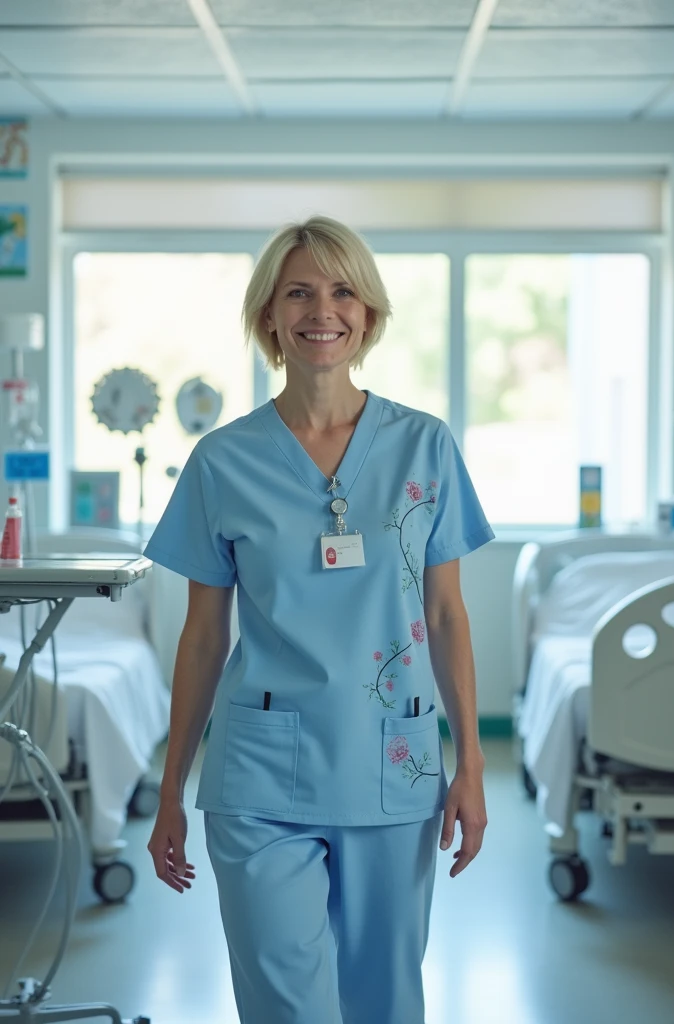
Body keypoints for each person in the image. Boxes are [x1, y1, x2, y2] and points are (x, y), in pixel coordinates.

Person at [145, 215, 495, 1024]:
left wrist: (470, 762)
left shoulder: (423, 447)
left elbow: (446, 616)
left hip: (395, 768)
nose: (321, 310)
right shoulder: (223, 460)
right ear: (267, 313)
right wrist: (170, 787)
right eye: (297, 291)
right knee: (286, 1009)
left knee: (383, 1001)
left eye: (342, 291)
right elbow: (203, 638)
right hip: (260, 777)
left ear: (368, 314)